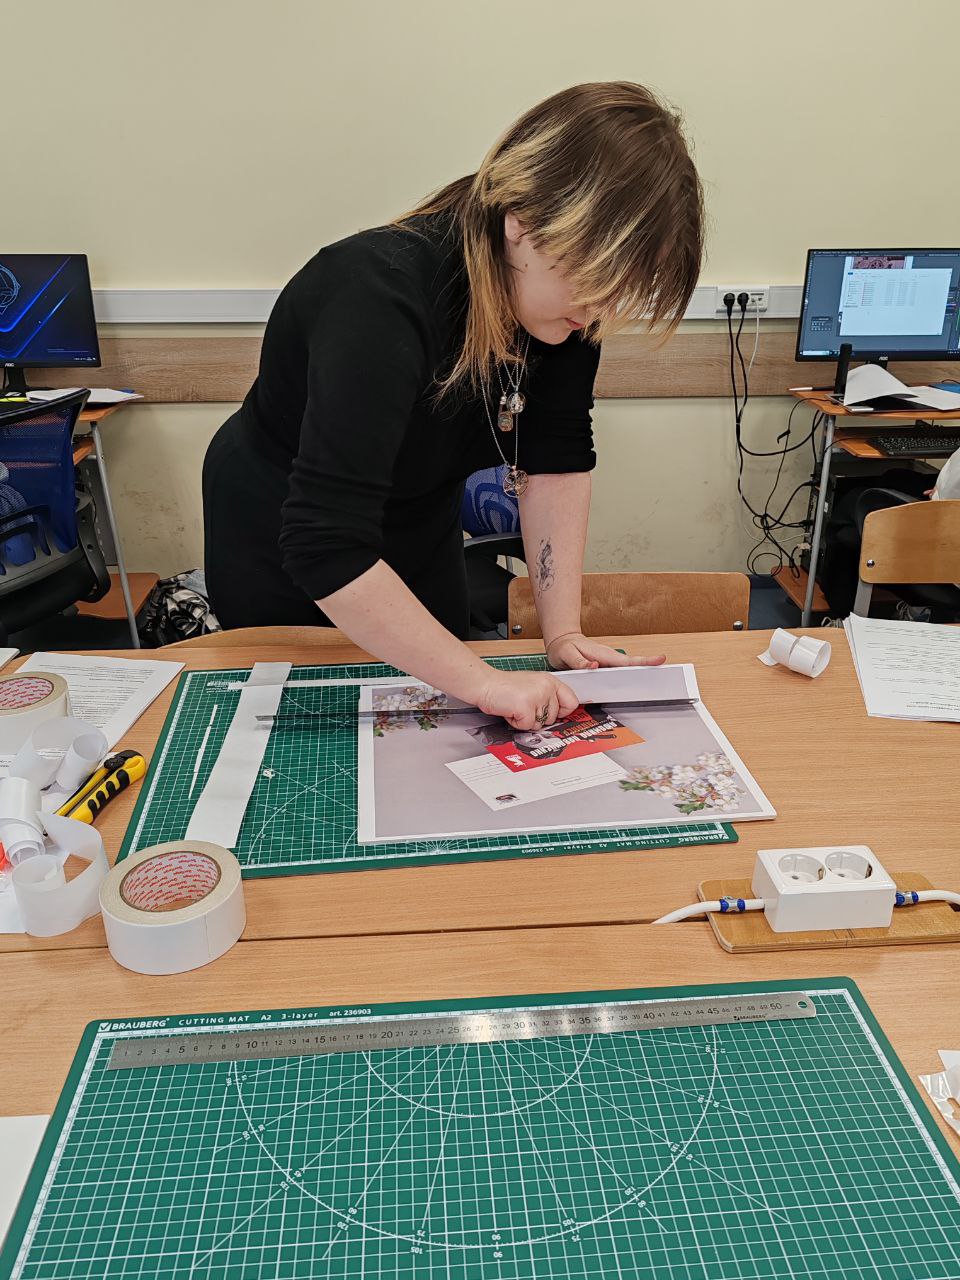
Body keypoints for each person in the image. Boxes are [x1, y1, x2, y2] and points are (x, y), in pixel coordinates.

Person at [203, 82, 703, 729]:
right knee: (304, 724)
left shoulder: (565, 313)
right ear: (521, 221)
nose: (602, 308)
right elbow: (325, 543)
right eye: (595, 278)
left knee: (436, 716)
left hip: (418, 518)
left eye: (621, 288)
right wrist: (486, 684)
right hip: (283, 529)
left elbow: (555, 461)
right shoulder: (375, 297)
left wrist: (562, 635)